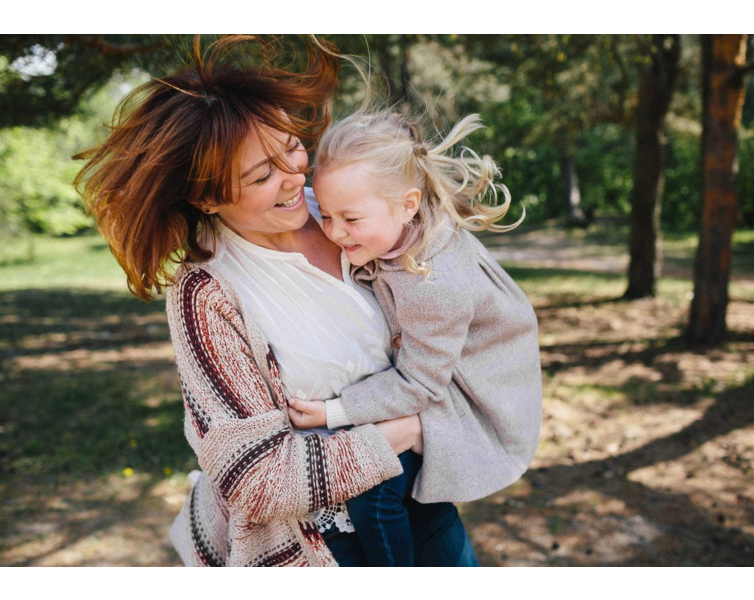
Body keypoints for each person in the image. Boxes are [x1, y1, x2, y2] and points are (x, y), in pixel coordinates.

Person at [74, 36, 476, 567]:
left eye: (292, 147)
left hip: (424, 498)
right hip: (325, 540)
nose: (294, 177)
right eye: (262, 175)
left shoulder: (350, 207)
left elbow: (467, 319)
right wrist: (402, 432)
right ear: (207, 197)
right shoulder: (206, 293)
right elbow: (255, 479)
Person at [288, 109, 542, 566]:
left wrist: (335, 410)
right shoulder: (390, 227)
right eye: (325, 215)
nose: (335, 231)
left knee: (374, 492)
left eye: (350, 218)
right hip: (436, 377)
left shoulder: (434, 280)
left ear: (408, 205)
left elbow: (419, 383)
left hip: (474, 394)